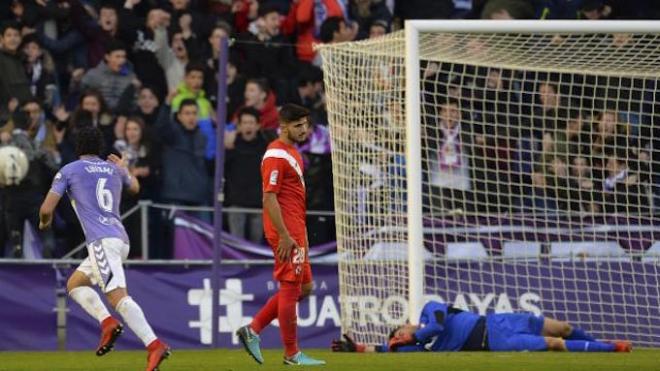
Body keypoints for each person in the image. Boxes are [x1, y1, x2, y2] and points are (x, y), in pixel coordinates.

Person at [38, 126, 170, 370]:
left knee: (117, 296)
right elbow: (136, 188)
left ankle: (154, 345)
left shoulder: (69, 170)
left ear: (78, 147)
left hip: (101, 241)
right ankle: (108, 323)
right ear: (100, 148)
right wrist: (124, 168)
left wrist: (44, 223)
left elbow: (47, 209)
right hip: (120, 239)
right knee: (74, 284)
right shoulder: (113, 169)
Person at [236, 104, 325, 366]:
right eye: (298, 125)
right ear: (284, 126)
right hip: (285, 230)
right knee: (290, 287)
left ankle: (253, 328)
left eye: (306, 125)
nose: (304, 130)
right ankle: (291, 354)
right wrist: (285, 235)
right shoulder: (276, 154)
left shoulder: (293, 153)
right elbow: (269, 197)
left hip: (297, 228)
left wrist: (301, 233)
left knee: (305, 287)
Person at [331, 300, 632, 353]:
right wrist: (357, 347)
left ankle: (596, 345)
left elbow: (436, 326)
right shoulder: (418, 348)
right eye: (399, 338)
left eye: (399, 333)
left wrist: (408, 340)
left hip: (498, 320)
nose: (401, 337)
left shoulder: (429, 310)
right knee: (553, 345)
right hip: (494, 342)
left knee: (562, 328)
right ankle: (610, 348)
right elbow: (386, 350)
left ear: (406, 326)